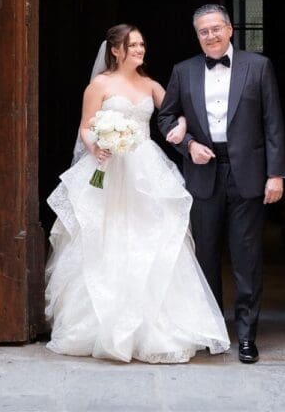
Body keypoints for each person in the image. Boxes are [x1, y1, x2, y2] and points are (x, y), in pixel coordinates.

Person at [44, 23, 230, 363]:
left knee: (154, 239)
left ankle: (157, 327)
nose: (140, 50)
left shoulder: (151, 85)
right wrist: (96, 146)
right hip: (108, 168)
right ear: (116, 50)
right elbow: (85, 126)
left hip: (146, 169)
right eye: (133, 45)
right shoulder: (99, 85)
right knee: (106, 237)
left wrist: (183, 128)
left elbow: (176, 113)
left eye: (142, 44)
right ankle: (99, 326)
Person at [158, 3, 285, 364]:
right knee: (206, 256)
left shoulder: (258, 66)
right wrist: (188, 145)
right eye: (203, 31)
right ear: (197, 36)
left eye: (216, 28)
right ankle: (212, 331)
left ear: (230, 29)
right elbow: (165, 118)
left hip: (248, 173)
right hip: (203, 173)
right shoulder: (183, 71)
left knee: (247, 257)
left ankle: (246, 336)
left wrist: (275, 174)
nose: (211, 36)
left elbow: (273, 122)